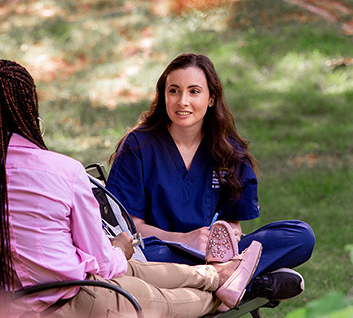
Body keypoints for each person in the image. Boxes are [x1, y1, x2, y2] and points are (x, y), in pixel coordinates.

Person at [0, 60, 262, 318]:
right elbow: (105, 265)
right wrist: (120, 246)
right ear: (28, 109)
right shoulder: (62, 172)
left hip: (10, 309)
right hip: (69, 310)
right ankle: (226, 286)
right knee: (158, 297)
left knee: (135, 272)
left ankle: (218, 274)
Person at [105, 53, 315, 301]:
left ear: (211, 98)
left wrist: (226, 234)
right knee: (149, 259)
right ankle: (248, 280)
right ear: (164, 96)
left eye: (194, 91)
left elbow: (235, 225)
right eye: (174, 91)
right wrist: (184, 239)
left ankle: (223, 275)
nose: (183, 101)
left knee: (300, 235)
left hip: (215, 253)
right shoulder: (139, 146)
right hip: (162, 251)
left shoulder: (228, 149)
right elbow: (128, 230)